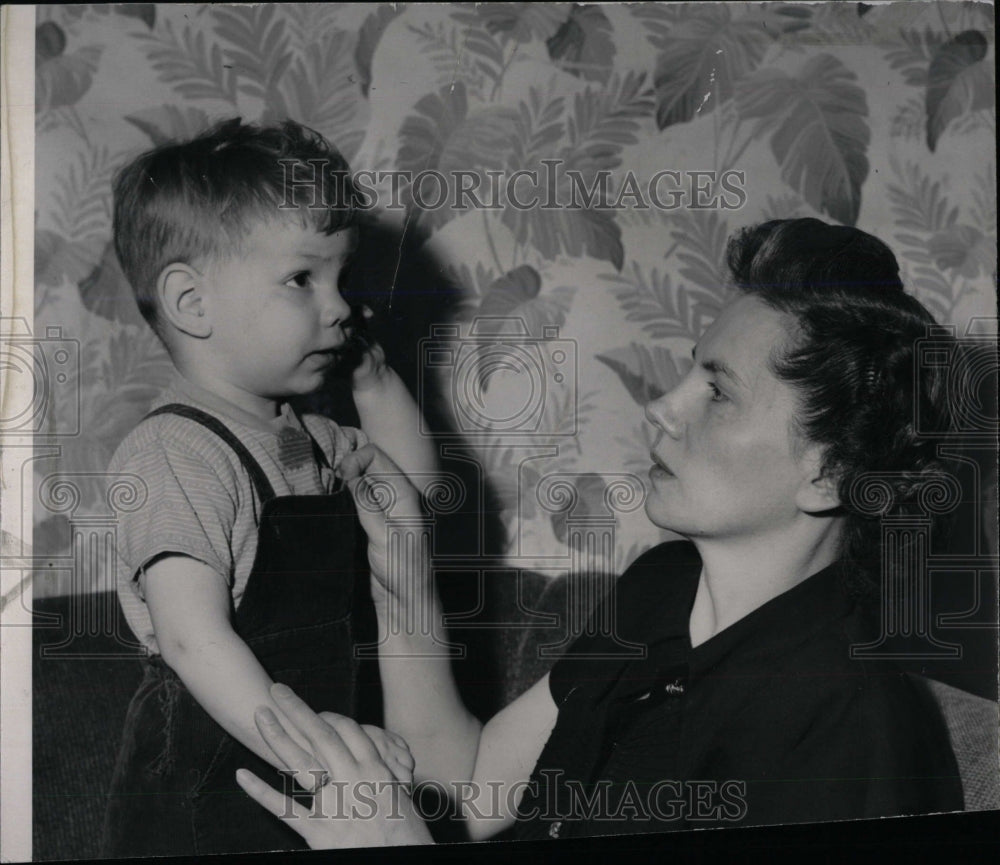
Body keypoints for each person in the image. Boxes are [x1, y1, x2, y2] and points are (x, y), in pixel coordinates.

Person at [236, 218, 967, 846]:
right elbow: (472, 785)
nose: (662, 407)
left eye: (718, 392)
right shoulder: (663, 587)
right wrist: (402, 554)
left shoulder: (850, 716)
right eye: (688, 374)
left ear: (830, 473)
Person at [100, 118, 430, 857]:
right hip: (201, 782)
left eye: (343, 279)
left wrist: (374, 381)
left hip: (304, 768)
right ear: (191, 303)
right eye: (303, 279)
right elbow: (192, 637)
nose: (341, 305)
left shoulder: (302, 435)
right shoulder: (176, 449)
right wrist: (317, 756)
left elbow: (413, 501)